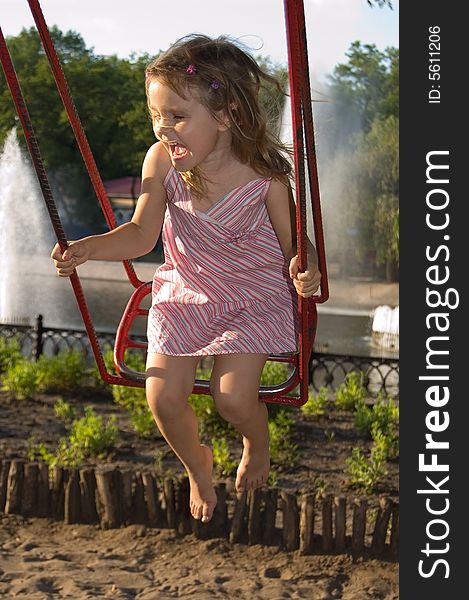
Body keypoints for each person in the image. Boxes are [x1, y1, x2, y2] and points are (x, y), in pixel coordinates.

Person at [51, 34, 321, 524]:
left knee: (233, 399)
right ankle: (198, 464)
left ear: (225, 115)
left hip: (251, 298)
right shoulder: (162, 162)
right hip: (184, 292)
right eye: (157, 116)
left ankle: (256, 446)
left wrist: (307, 268)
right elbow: (139, 236)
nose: (164, 129)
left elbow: (294, 247)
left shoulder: (265, 176)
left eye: (177, 116)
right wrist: (87, 248)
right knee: (163, 397)